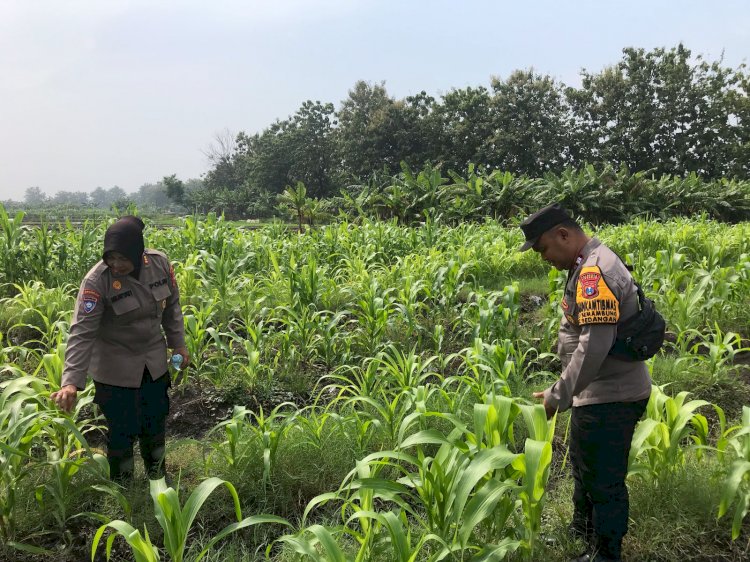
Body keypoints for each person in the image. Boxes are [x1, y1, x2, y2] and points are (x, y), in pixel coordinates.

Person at [519, 203, 652, 562]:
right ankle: (583, 532)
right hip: (596, 394)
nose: (543, 257)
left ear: (563, 234)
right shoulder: (589, 262)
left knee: (603, 482)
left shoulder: (595, 271)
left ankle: (606, 554)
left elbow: (594, 346)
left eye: (542, 247)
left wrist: (557, 395)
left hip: (611, 397)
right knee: (585, 467)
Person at [51, 216, 190, 481]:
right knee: (121, 431)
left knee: (155, 422)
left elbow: (172, 306)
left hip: (154, 363)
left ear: (137, 253)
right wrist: (71, 382)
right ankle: (124, 488)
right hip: (115, 370)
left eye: (122, 258)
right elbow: (81, 332)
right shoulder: (97, 281)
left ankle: (158, 476)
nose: (116, 264)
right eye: (110, 257)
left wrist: (178, 344)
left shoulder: (159, 263)